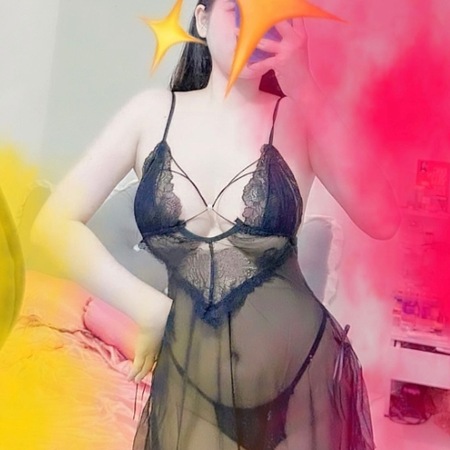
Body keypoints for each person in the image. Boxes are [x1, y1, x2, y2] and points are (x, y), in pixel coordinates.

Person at [33, 0, 400, 448]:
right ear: (203, 20)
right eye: (238, 11)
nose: (255, 26)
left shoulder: (300, 117)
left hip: (303, 380)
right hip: (191, 381)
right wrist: (149, 309)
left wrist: (304, 83)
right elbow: (52, 224)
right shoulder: (150, 115)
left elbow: (382, 218)